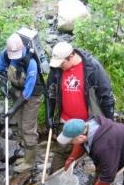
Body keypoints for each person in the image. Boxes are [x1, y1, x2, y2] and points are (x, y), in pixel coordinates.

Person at [47, 41, 115, 173]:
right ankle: (53, 184)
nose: (59, 67)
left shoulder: (92, 67)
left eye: (62, 64)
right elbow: (50, 92)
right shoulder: (56, 68)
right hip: (66, 121)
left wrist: (110, 122)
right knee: (61, 152)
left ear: (71, 56)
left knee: (99, 156)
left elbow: (106, 96)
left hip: (90, 123)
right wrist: (49, 115)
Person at [0, 33, 44, 172]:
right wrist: (3, 85)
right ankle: (26, 154)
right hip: (17, 90)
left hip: (31, 95)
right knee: (20, 125)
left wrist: (12, 109)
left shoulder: (31, 62)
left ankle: (30, 162)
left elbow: (27, 93)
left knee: (28, 127)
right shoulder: (5, 53)